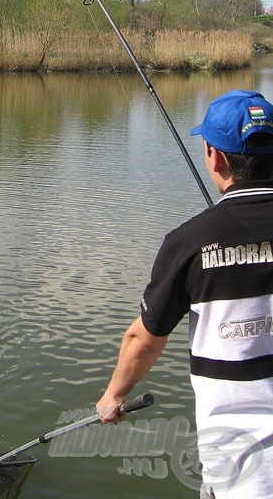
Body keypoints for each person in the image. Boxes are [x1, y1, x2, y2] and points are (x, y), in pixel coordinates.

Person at [97, 89, 273, 498]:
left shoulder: (189, 242)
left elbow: (144, 339)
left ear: (215, 157)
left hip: (243, 471)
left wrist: (113, 396)